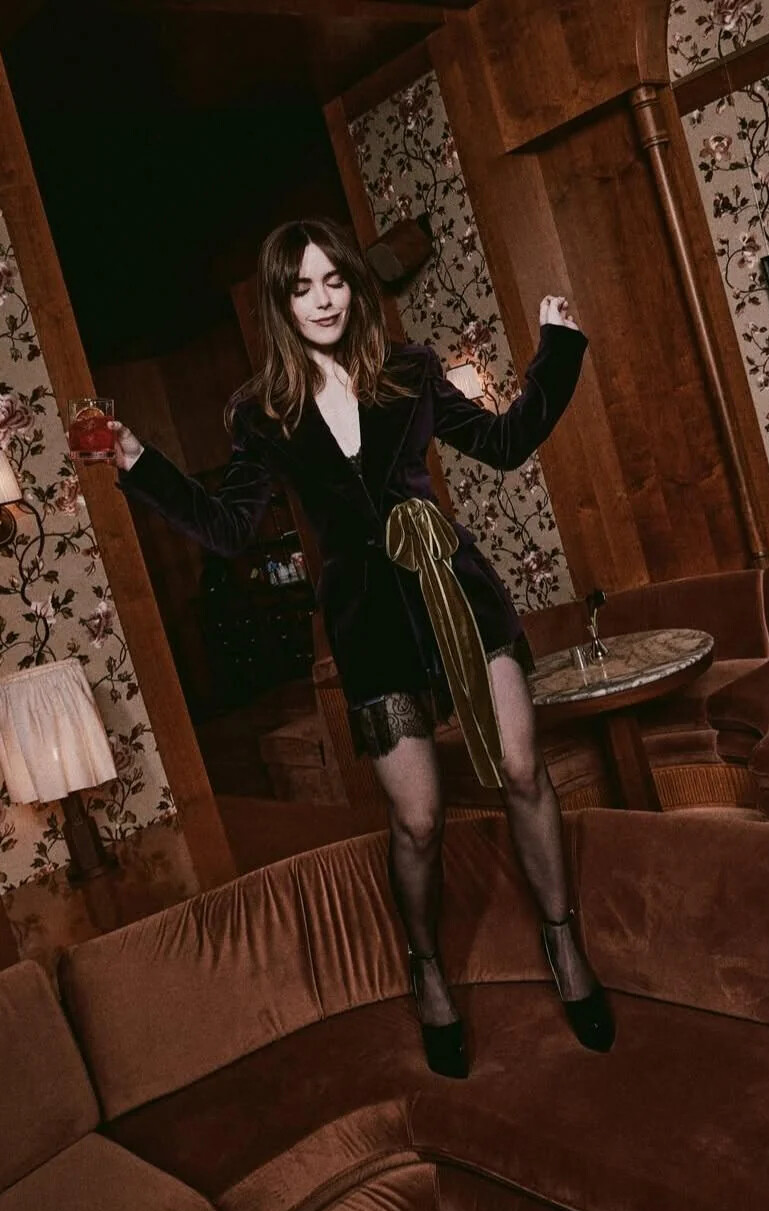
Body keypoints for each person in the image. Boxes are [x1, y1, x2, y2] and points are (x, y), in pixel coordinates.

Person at [111, 217, 613, 1078]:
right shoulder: (262, 411)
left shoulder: (408, 369)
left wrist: (557, 350)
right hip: (370, 621)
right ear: (279, 303)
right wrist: (139, 464)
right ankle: (426, 967)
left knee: (524, 771)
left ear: (353, 284)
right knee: (418, 819)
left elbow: (503, 443)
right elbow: (230, 528)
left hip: (458, 591)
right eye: (301, 287)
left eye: (334, 281)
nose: (322, 300)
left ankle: (563, 942)